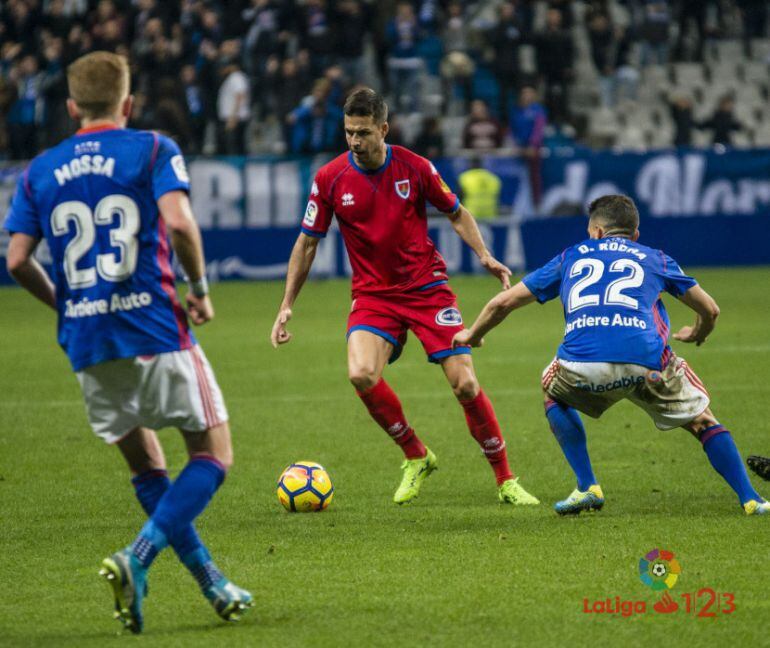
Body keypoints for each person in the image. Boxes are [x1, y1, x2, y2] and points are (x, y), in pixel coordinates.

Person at [3, 52, 253, 633]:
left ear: (70, 108)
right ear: (128, 103)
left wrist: (65, 305)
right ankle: (136, 557)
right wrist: (200, 290)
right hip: (155, 326)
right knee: (213, 455)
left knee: (147, 466)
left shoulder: (40, 168)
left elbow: (17, 260)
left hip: (87, 340)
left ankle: (213, 584)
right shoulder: (152, 148)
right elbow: (182, 223)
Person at [271, 88, 538, 507]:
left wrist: (484, 255)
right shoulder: (329, 178)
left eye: (363, 133)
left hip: (426, 288)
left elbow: (456, 212)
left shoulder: (415, 167)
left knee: (465, 384)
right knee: (361, 374)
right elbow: (306, 244)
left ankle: (505, 480)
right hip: (373, 295)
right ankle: (416, 455)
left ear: (383, 129)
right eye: (348, 133)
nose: (355, 142)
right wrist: (287, 304)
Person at [453, 195, 768, 516]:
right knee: (703, 420)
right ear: (635, 235)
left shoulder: (571, 256)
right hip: (648, 364)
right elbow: (710, 309)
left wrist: (472, 335)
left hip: (581, 366)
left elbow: (502, 303)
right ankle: (751, 499)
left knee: (551, 390)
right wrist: (698, 331)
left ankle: (587, 485)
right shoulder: (655, 258)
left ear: (598, 232)